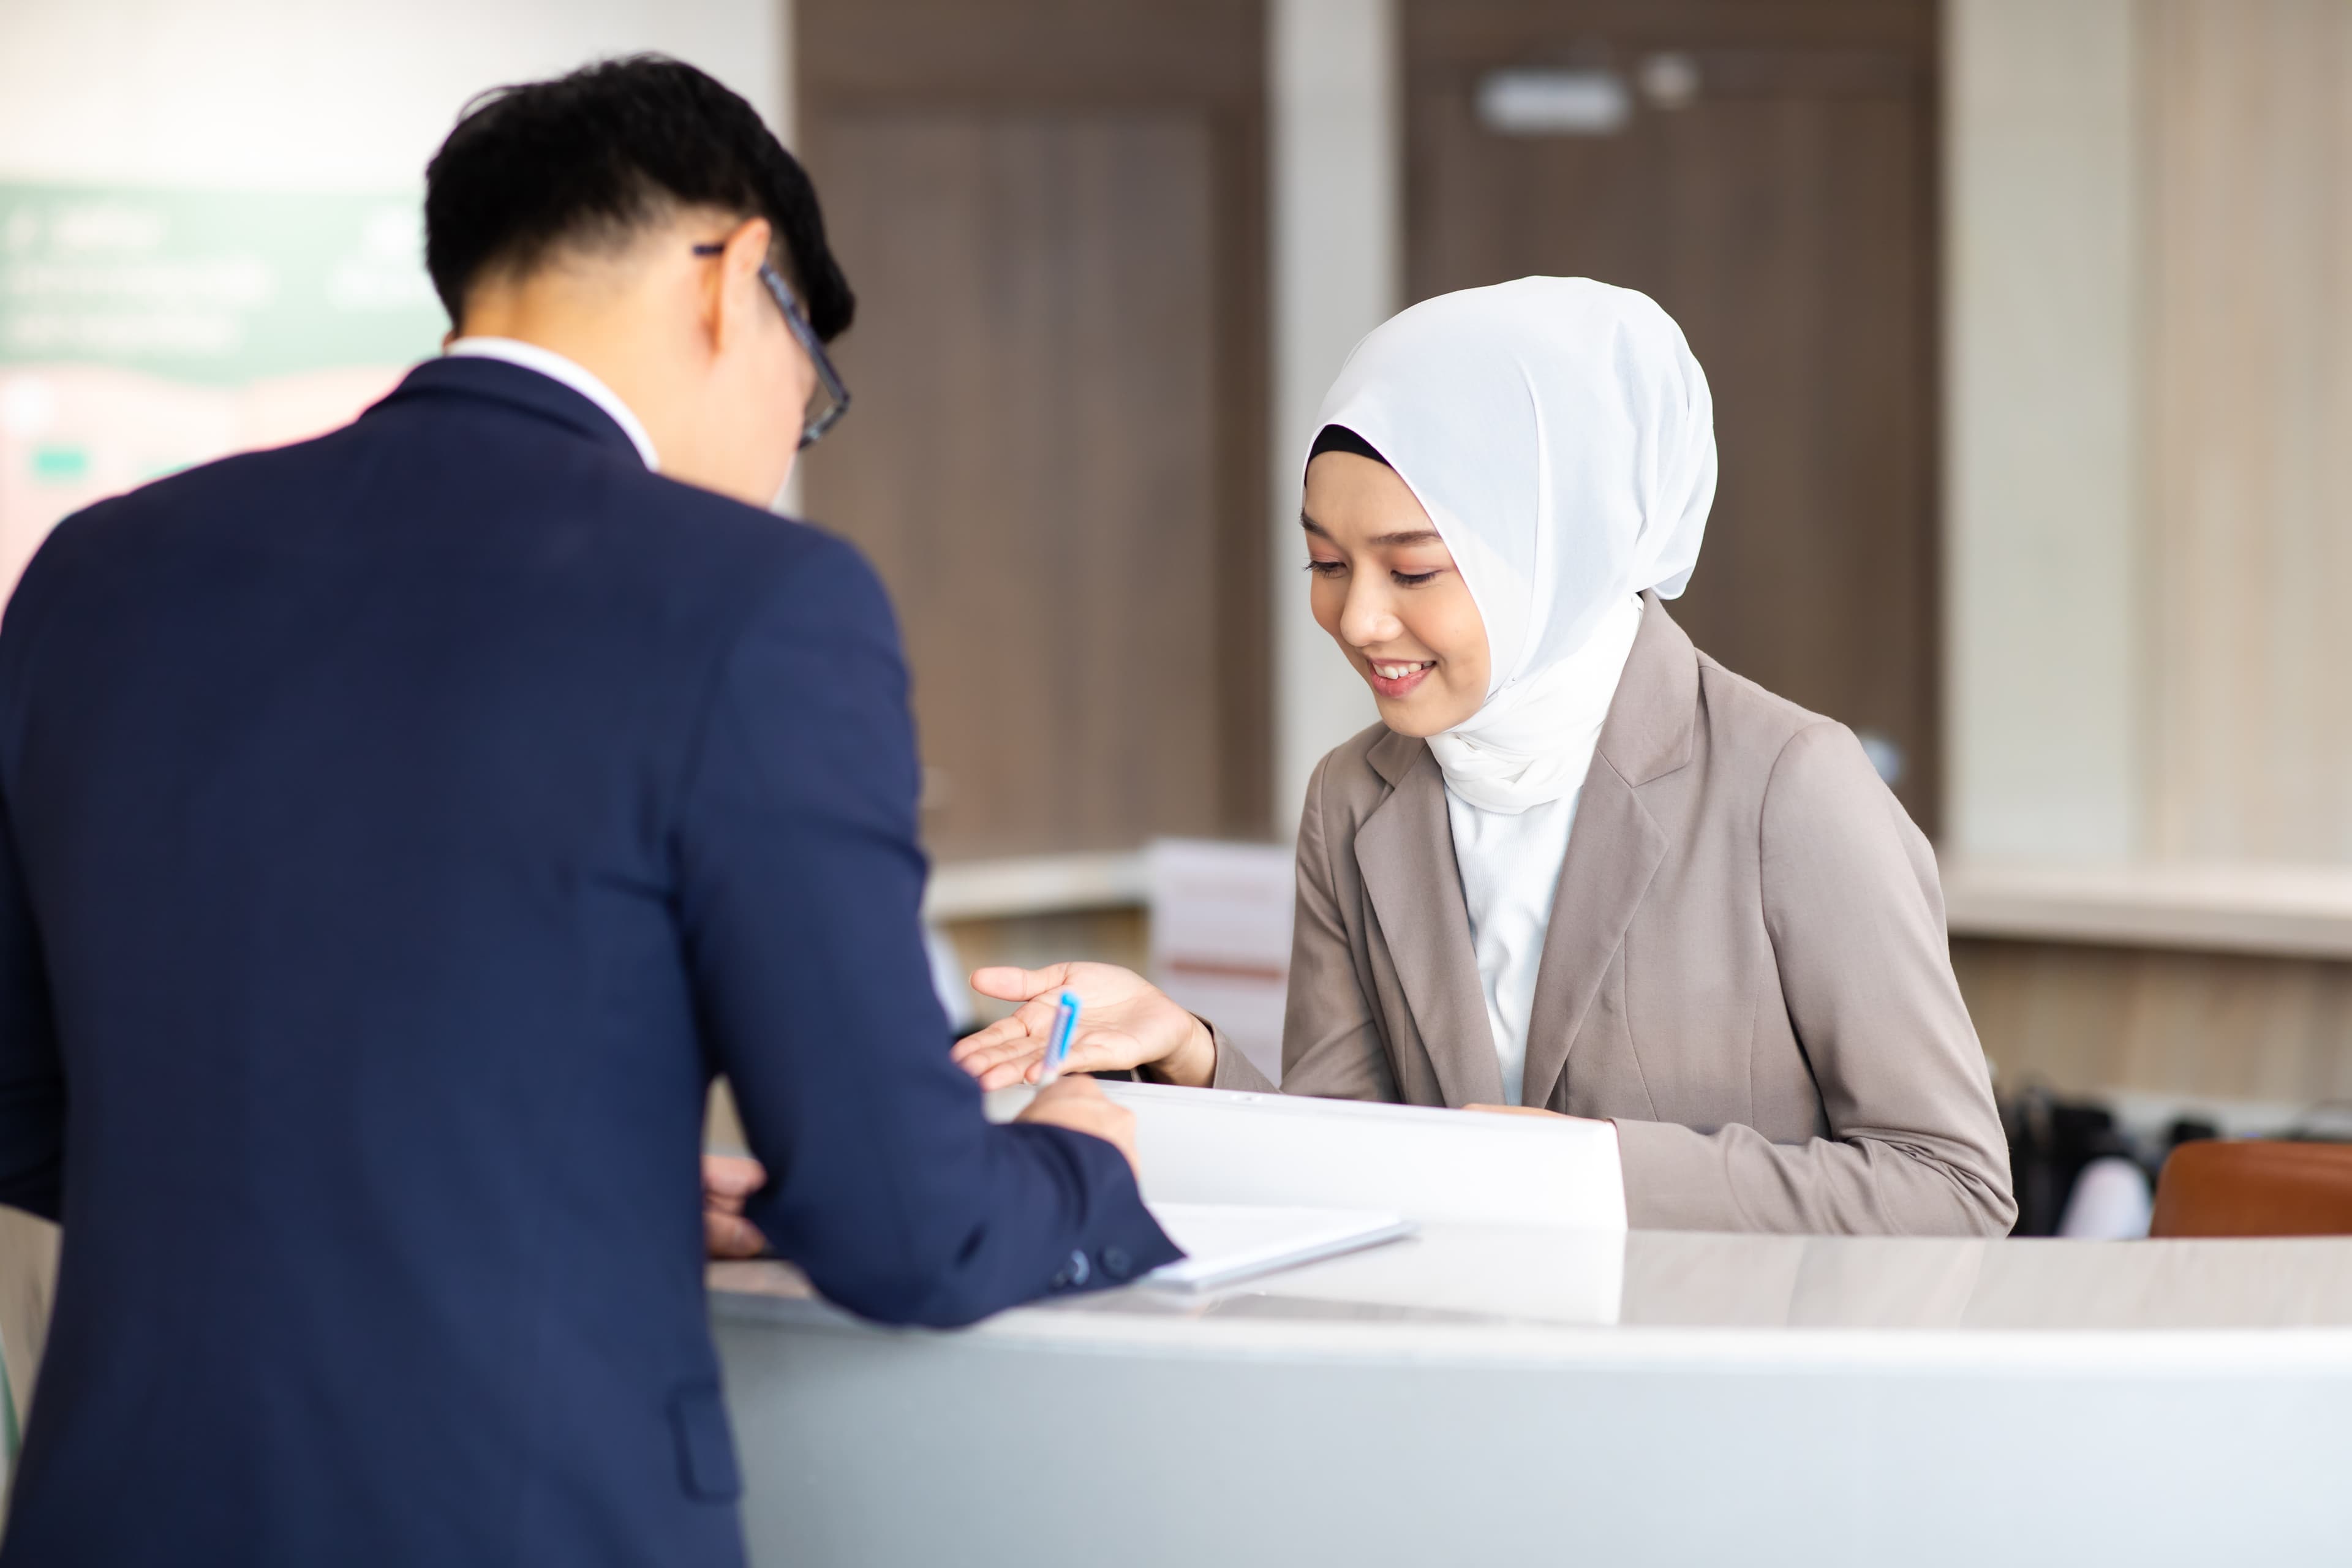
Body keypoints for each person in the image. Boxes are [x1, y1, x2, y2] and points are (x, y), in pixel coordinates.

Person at [0, 56, 1175, 1567]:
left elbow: (22, 1105)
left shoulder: (101, 574)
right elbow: (906, 1221)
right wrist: (1094, 1156)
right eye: (808, 391)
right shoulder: (756, 606)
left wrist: (574, 1175)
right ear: (740, 275)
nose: (784, 446)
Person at [955, 277, 2015, 1237]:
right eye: (1326, 562)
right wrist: (1186, 1048)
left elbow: (1953, 1186)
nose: (1358, 618)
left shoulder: (1790, 785)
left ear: (1554, 554)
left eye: (1412, 571)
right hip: (1456, 1404)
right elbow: (1346, 1164)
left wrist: (1592, 1175)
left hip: (1715, 1414)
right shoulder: (1356, 798)